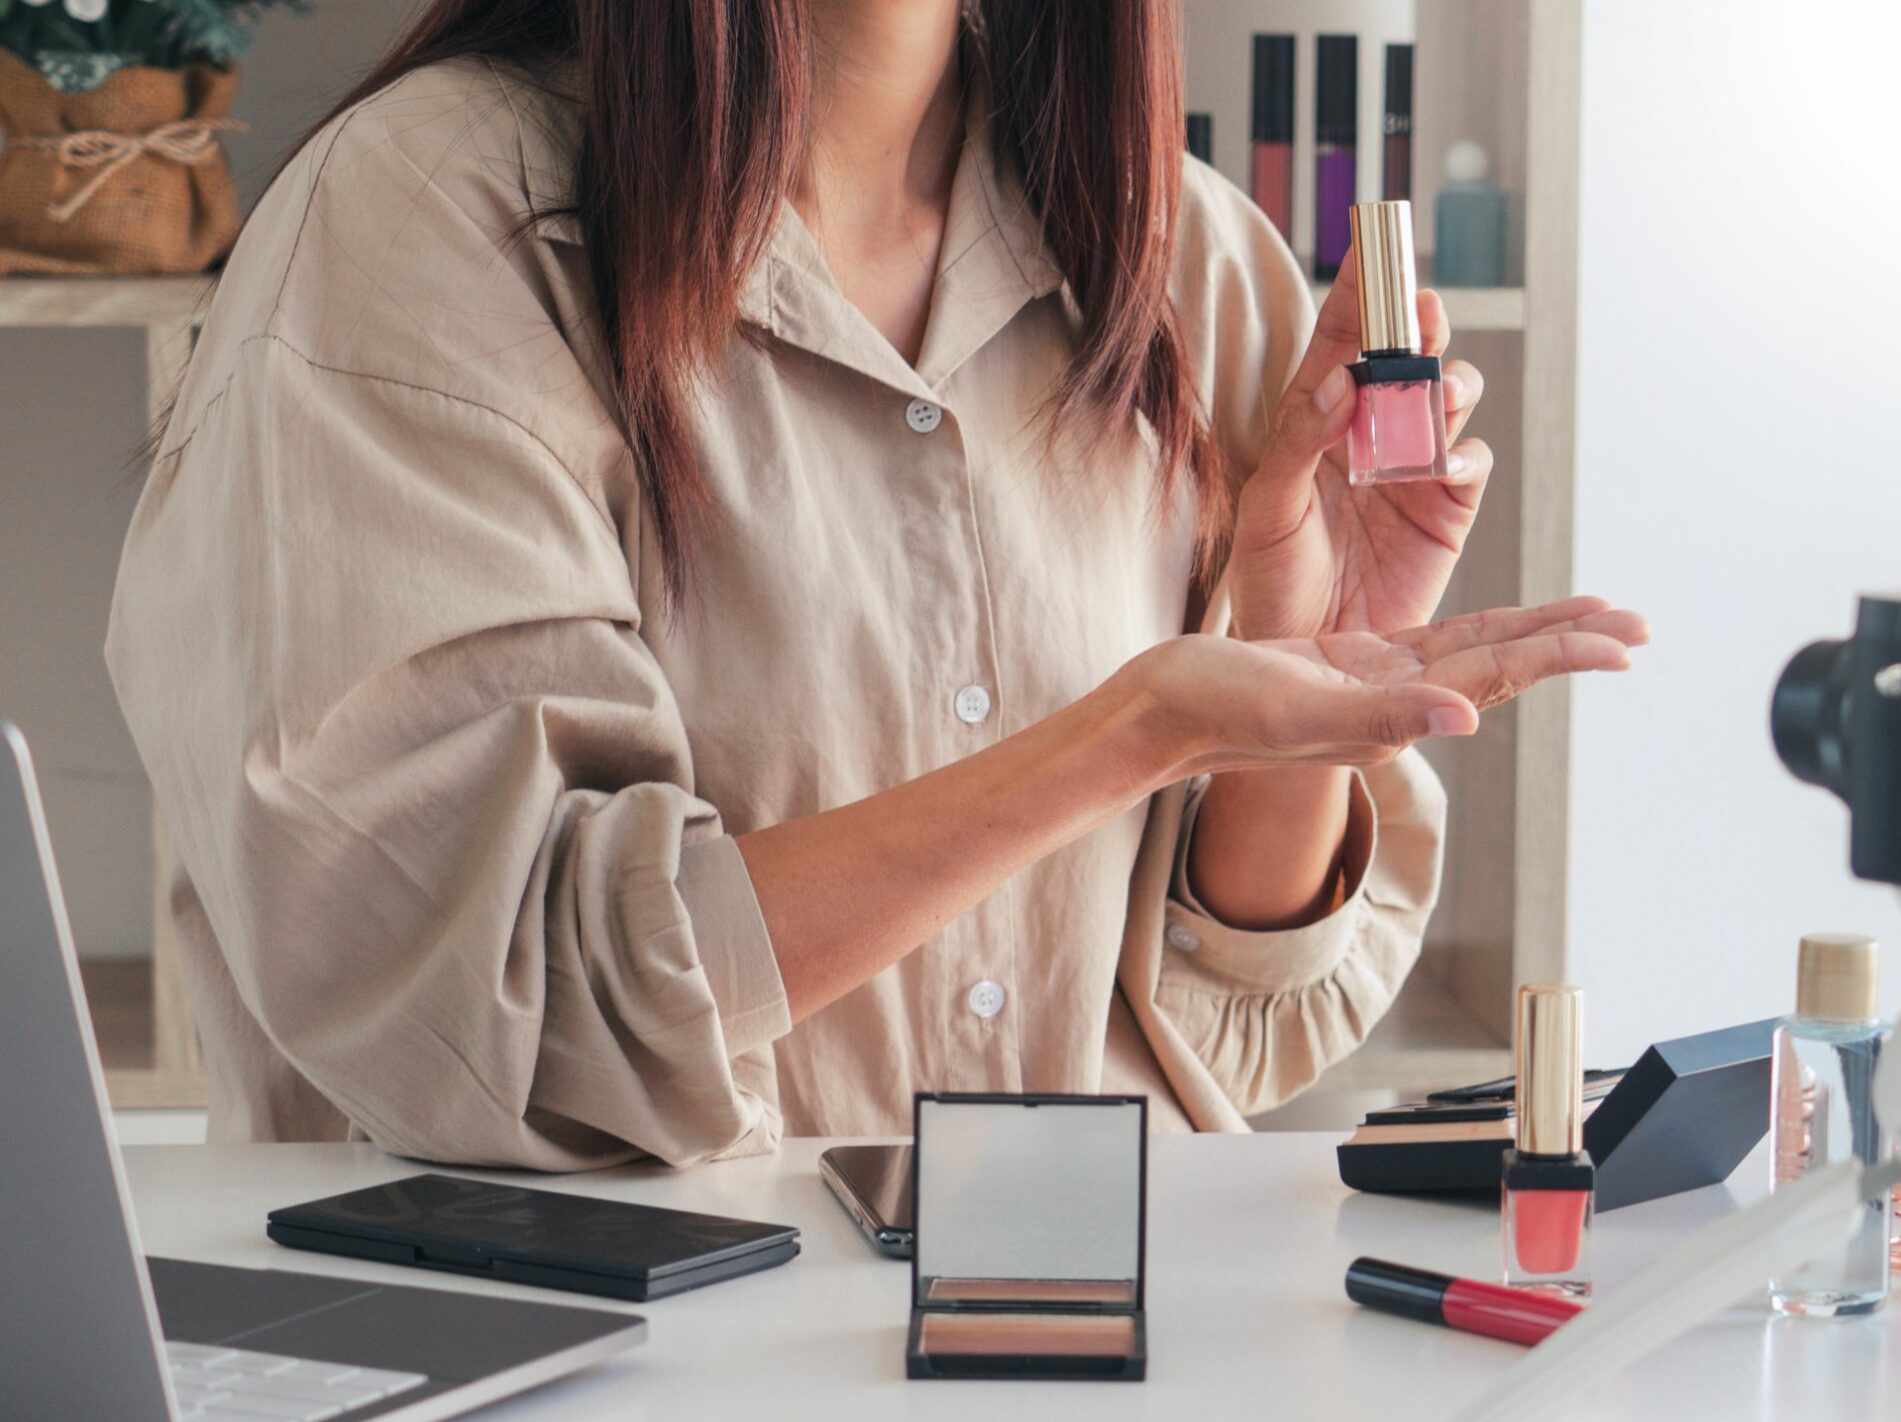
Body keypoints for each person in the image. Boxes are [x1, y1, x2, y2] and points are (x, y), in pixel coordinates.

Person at [103, 0, 1646, 1169]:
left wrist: (1319, 690)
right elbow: (503, 1005)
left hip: (1084, 1358)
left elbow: (1224, 1028)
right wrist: (1128, 735)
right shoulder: (426, 227)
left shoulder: (1185, 264)